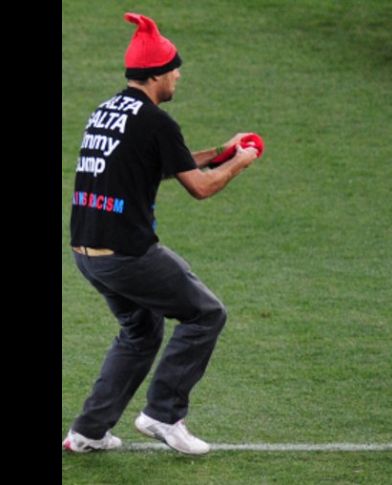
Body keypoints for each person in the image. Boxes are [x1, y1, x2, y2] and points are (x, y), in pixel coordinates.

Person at [62, 12, 261, 455]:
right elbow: (200, 187)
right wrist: (239, 163)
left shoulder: (108, 111)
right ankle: (163, 414)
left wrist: (221, 151)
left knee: (141, 332)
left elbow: (169, 161)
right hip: (127, 254)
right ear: (156, 75)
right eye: (174, 69)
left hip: (87, 253)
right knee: (206, 313)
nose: (178, 76)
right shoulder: (155, 121)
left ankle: (88, 431)